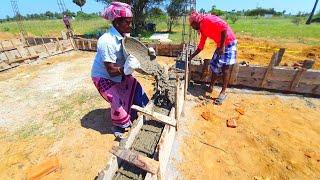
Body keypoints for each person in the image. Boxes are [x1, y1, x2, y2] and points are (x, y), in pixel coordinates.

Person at [91, 2, 149, 138]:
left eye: (130, 22)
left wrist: (147, 54)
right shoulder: (106, 41)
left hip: (120, 71)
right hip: (103, 76)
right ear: (117, 23)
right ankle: (118, 126)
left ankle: (141, 110)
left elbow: (134, 54)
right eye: (127, 22)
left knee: (135, 87)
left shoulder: (125, 37)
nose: (130, 25)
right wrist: (125, 69)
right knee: (116, 98)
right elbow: (110, 70)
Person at [188, 11, 237, 105]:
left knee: (225, 68)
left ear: (196, 22)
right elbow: (201, 46)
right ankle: (211, 87)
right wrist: (191, 57)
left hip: (229, 42)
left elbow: (224, 26)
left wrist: (222, 46)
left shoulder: (207, 20)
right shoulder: (202, 29)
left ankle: (223, 92)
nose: (192, 28)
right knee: (214, 65)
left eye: (192, 25)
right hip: (220, 44)